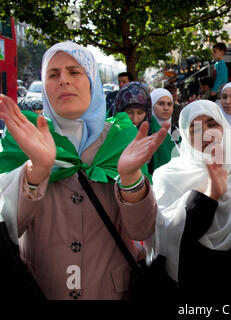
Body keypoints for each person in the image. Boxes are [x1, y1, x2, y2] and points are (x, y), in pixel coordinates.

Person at [0, 42, 169, 300]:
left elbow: (142, 230)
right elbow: (9, 228)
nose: (63, 81)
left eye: (74, 72)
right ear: (44, 86)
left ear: (92, 82)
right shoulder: (23, 138)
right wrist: (36, 170)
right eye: (53, 74)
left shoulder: (121, 138)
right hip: (41, 289)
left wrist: (131, 178)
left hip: (112, 291)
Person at [146, 99, 231, 300]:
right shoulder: (168, 176)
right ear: (185, 137)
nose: (206, 134)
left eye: (213, 125)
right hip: (192, 287)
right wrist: (210, 195)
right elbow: (169, 238)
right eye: (195, 130)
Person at [148, 88, 180, 175]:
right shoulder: (147, 131)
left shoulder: (175, 130)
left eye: (169, 104)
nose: (166, 108)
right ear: (151, 106)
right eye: (161, 104)